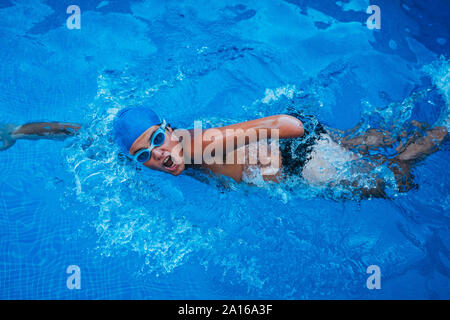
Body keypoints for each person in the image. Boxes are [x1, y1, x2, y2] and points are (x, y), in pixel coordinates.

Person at [0, 106, 447, 198]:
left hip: (299, 160)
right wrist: (18, 131)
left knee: (394, 179)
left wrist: (305, 154)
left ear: (171, 131)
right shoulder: (153, 154)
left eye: (158, 140)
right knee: (368, 139)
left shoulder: (197, 145)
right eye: (143, 156)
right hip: (285, 152)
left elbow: (287, 126)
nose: (157, 156)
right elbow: (78, 132)